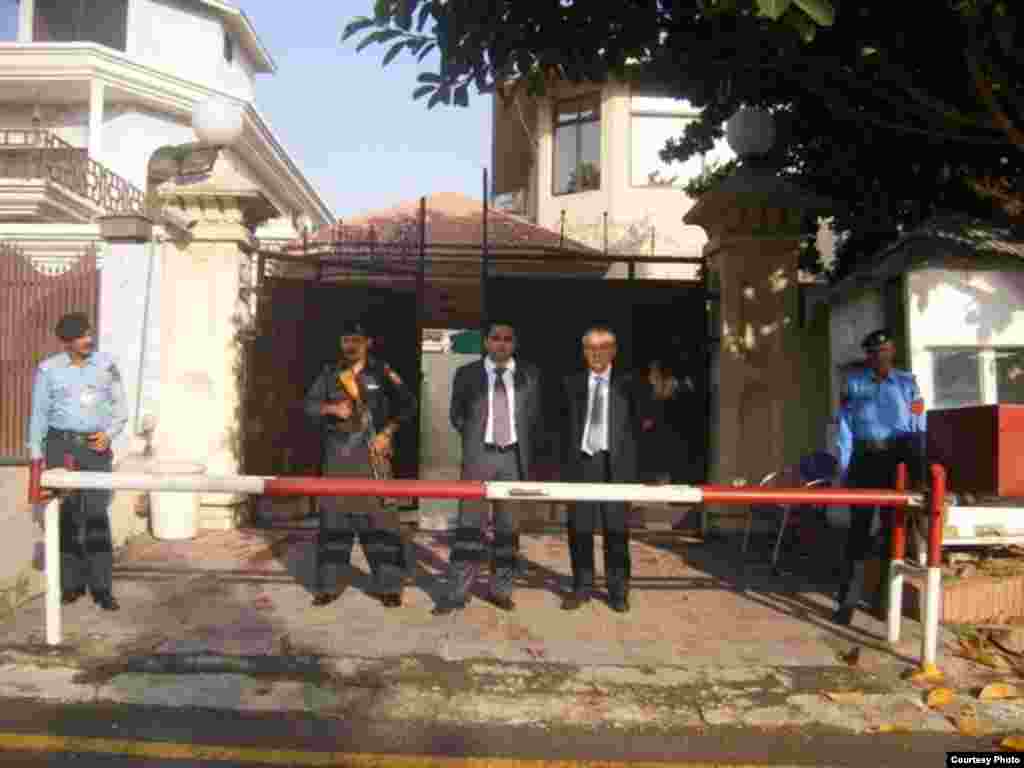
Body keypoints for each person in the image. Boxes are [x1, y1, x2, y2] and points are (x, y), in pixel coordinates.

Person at [303, 320, 417, 608]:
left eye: (357, 339)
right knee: (334, 521)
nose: (351, 345)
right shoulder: (330, 373)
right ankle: (328, 586)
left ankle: (390, 587)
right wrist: (331, 408)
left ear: (368, 343)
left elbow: (408, 405)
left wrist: (387, 433)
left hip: (373, 457)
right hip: (338, 457)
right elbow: (309, 406)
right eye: (346, 340)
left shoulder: (382, 371)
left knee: (380, 522)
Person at [435, 322, 542, 615]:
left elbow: (533, 418)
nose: (501, 344)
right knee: (470, 525)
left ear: (515, 343)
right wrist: (475, 440)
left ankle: (501, 590)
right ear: (485, 342)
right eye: (495, 338)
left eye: (508, 339)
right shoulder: (467, 374)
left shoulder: (530, 375)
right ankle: (458, 591)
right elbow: (456, 415)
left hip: (513, 459)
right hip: (479, 456)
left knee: (508, 529)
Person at [27, 312, 128, 611]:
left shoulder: (106, 366)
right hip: (62, 448)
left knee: (97, 515)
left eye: (89, 334)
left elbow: (120, 408)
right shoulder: (48, 371)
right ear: (66, 342)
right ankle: (70, 586)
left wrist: (109, 435)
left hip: (95, 449)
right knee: (66, 514)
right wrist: (37, 458)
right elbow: (39, 416)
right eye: (82, 336)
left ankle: (102, 588)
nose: (89, 340)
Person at [833, 328, 926, 626]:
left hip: (896, 461)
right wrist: (846, 466)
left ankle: (883, 603)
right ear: (868, 356)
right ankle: (846, 603)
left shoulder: (908, 384)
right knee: (857, 532)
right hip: (864, 459)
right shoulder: (854, 383)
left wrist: (917, 467)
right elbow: (845, 426)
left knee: (891, 532)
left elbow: (918, 423)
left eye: (885, 352)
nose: (880, 357)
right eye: (875, 353)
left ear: (892, 353)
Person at [561, 325, 641, 613]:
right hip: (582, 462)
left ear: (613, 351)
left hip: (617, 464)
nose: (597, 353)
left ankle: (618, 590)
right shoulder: (570, 384)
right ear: (584, 352)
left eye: (604, 347)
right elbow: (556, 429)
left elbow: (644, 425)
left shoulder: (629, 384)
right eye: (591, 348)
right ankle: (582, 586)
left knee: (616, 529)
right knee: (580, 528)